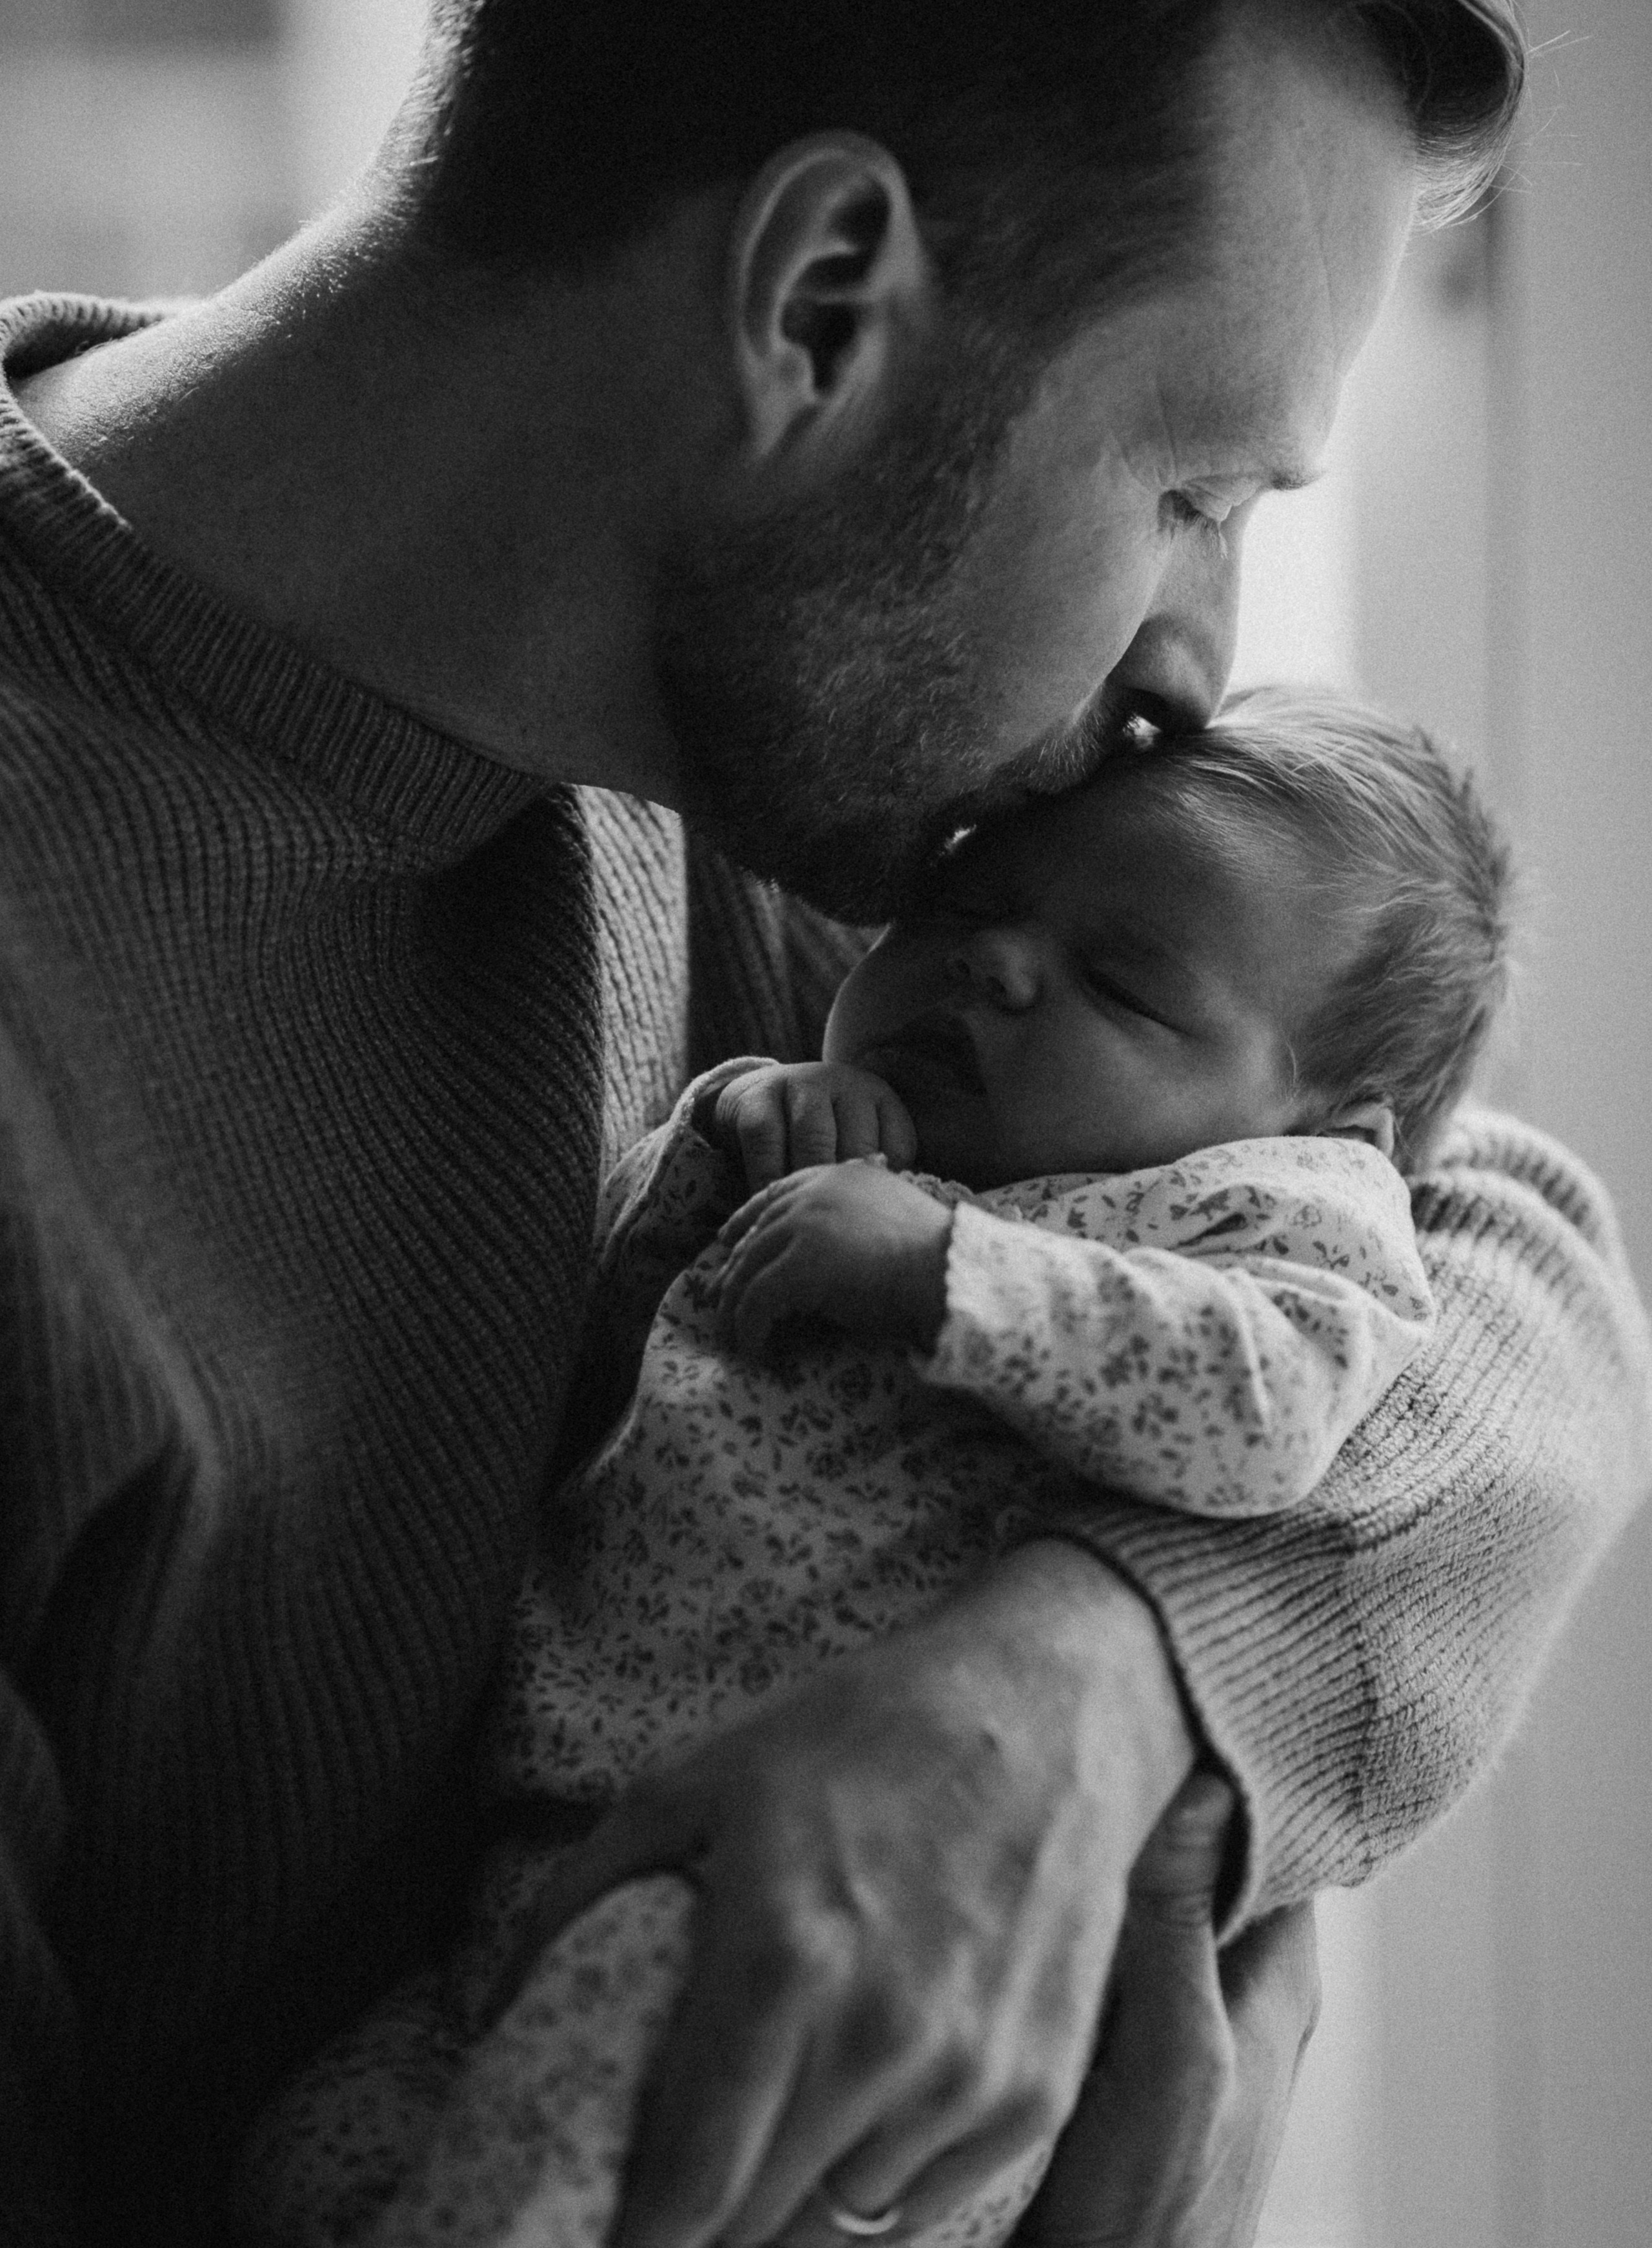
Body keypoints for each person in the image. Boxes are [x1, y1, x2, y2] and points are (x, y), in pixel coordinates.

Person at [0, 0, 1647, 2246]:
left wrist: (1100, 1688)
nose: (1188, 680)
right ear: (822, 306)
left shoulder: (756, 785)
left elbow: (1491, 1250)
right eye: (1194, 492)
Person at [237, 686, 1498, 2248]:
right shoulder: (869, 1121)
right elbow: (616, 1334)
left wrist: (955, 1274)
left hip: (813, 1947)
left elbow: (1262, 1410)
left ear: (1322, 1134)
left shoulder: (1264, 1225)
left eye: (1120, 982)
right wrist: (739, 1140)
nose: (994, 959)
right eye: (966, 896)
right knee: (311, 2162)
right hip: (551, 1862)